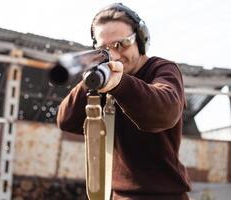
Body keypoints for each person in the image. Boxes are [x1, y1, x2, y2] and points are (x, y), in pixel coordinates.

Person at [57, 3, 191, 200]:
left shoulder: (161, 69)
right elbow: (67, 120)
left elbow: (164, 112)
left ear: (141, 40)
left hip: (164, 195)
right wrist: (92, 79)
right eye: (105, 49)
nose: (115, 55)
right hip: (116, 195)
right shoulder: (104, 79)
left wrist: (120, 83)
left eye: (121, 44)